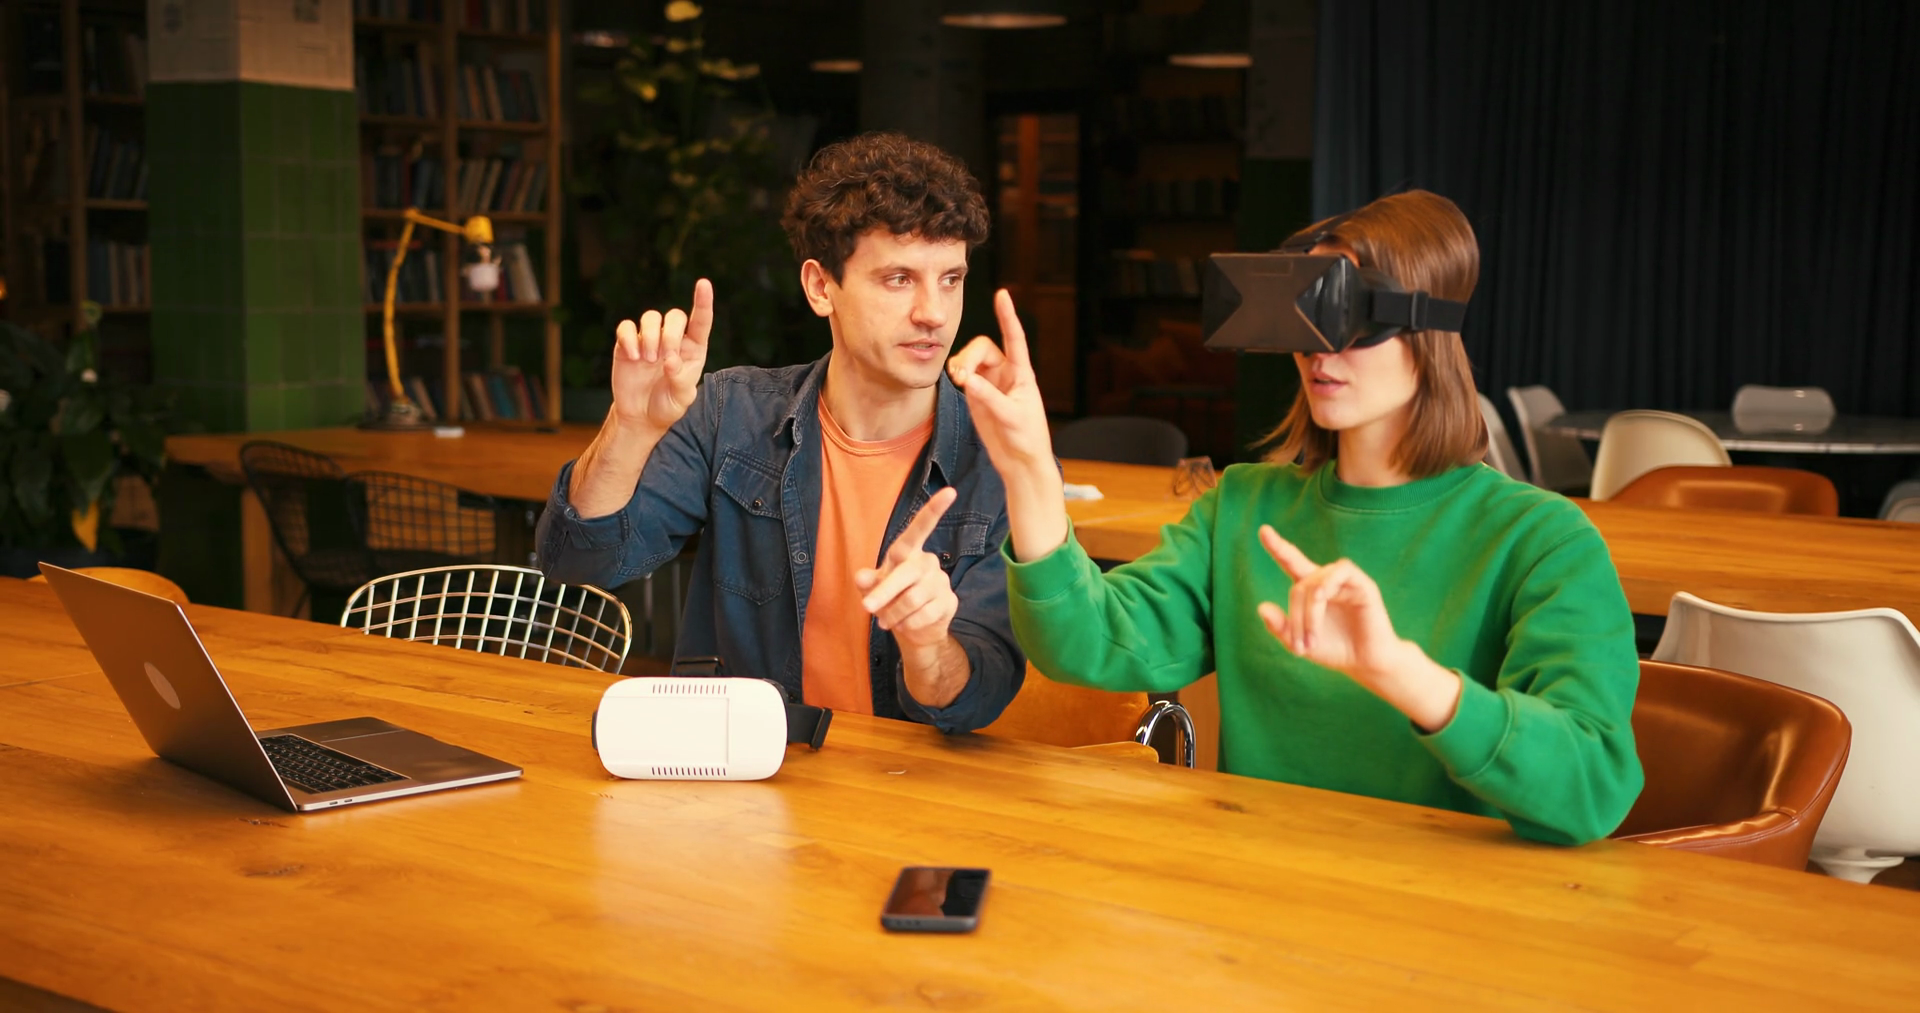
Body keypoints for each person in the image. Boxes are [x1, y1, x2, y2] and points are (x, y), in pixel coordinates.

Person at [950, 190, 1642, 845]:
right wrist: (1029, 469)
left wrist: (1399, 670)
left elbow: (1591, 788)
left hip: (1442, 907)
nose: (1319, 348)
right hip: (1258, 888)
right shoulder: (1243, 507)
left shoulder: (1541, 540)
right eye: (1305, 315)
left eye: (1352, 316)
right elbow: (1084, 643)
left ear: (1428, 331)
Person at [536, 132, 1023, 731]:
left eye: (950, 279)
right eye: (899, 278)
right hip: (744, 764)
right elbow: (577, 565)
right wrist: (631, 428)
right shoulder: (732, 414)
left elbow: (977, 700)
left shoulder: (1001, 462)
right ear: (821, 287)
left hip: (906, 778)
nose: (934, 313)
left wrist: (926, 645)